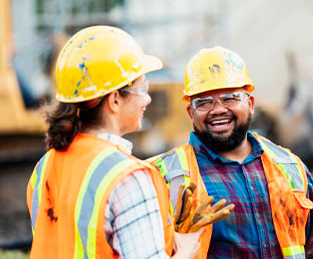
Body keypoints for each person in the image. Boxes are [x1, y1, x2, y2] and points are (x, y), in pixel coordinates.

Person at [26, 25, 200, 259]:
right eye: (143, 88)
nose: (147, 98)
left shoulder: (44, 166)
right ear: (115, 99)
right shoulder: (128, 178)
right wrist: (187, 251)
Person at [149, 46, 313, 258]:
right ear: (191, 113)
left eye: (229, 98)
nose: (218, 109)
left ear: (250, 103)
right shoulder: (163, 176)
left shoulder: (289, 166)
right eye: (204, 102)